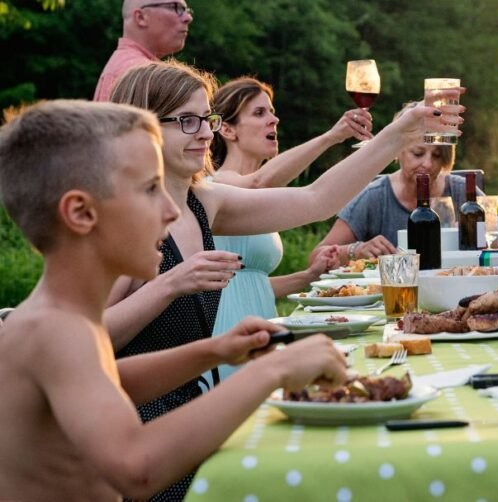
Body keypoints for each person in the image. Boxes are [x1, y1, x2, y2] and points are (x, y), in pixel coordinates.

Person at [104, 59, 459, 499]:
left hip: (199, 412)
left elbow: (318, 199)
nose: (205, 133)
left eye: (207, 119)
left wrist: (398, 135)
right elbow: (88, 341)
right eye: (187, 121)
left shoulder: (203, 200)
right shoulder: (121, 221)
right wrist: (169, 284)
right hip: (141, 434)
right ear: (142, 130)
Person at [0, 100, 348, 501]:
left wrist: (214, 350)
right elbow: (139, 468)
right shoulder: (56, 330)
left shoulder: (62, 318)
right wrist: (274, 370)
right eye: (151, 190)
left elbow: (112, 381)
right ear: (81, 213)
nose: (170, 211)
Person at [204, 76, 373, 383]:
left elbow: (252, 283)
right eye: (259, 113)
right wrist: (331, 137)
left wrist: (307, 277)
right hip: (228, 330)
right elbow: (259, 183)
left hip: (261, 326)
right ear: (226, 129)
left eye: (272, 111)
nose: (274, 119)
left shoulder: (257, 197)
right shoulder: (216, 184)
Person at [313, 140, 478, 264]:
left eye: (437, 155)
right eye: (418, 153)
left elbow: (497, 245)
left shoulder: (463, 192)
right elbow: (316, 258)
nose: (427, 164)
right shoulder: (374, 196)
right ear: (398, 151)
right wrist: (355, 250)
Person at [94, 0, 193, 101]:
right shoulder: (140, 74)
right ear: (140, 17)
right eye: (175, 7)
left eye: (187, 10)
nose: (188, 18)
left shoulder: (123, 67)